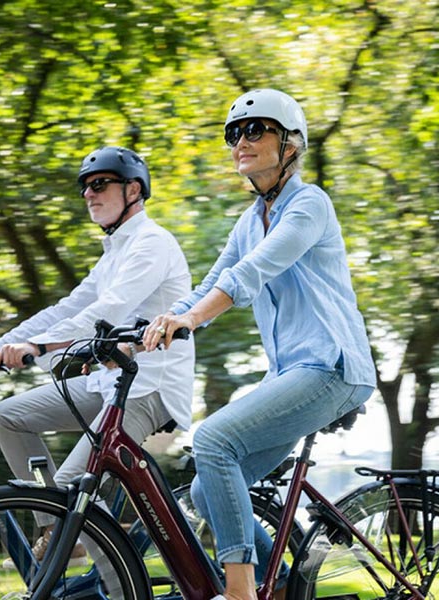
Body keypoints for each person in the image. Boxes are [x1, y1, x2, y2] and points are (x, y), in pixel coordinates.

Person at [143, 89, 376, 600]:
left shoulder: (309, 204)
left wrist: (193, 318)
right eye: (233, 134)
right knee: (207, 488)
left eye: (255, 130)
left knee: (213, 441)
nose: (240, 142)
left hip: (332, 367)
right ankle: (290, 588)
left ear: (290, 143)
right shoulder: (250, 221)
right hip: (291, 374)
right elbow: (212, 282)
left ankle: (242, 591)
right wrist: (160, 324)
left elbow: (254, 271)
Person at [0, 145, 195, 564]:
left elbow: (108, 309)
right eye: (84, 188)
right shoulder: (113, 253)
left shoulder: (152, 243)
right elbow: (66, 309)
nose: (88, 195)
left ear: (133, 190)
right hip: (108, 383)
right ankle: (62, 533)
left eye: (99, 185)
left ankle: (119, 587)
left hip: (148, 390)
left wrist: (40, 347)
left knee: (73, 489)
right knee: (7, 416)